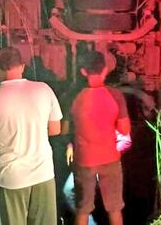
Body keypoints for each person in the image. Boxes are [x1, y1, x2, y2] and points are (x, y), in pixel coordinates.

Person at [0, 47, 62, 225]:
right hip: (43, 174)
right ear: (22, 66)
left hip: (9, 178)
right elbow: (55, 130)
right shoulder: (44, 89)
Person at [68, 51, 131, 225]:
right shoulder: (115, 95)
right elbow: (124, 130)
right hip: (110, 158)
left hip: (84, 160)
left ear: (83, 71)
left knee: (82, 209)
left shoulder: (74, 96)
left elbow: (65, 128)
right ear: (105, 70)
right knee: (114, 208)